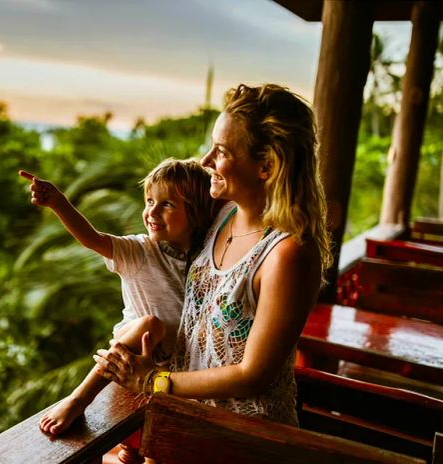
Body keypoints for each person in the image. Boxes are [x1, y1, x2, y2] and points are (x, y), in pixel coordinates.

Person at [94, 83, 332, 426]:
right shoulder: (221, 212)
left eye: (220, 152)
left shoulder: (288, 254)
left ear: (265, 166)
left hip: (243, 435)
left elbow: (254, 375)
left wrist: (151, 381)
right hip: (186, 416)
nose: (206, 161)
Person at [18, 158, 215, 434]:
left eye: (167, 204)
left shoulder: (207, 257)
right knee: (150, 325)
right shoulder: (139, 251)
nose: (152, 212)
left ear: (196, 214)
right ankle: (79, 398)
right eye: (149, 201)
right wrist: (59, 203)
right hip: (130, 356)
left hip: (175, 370)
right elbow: (92, 238)